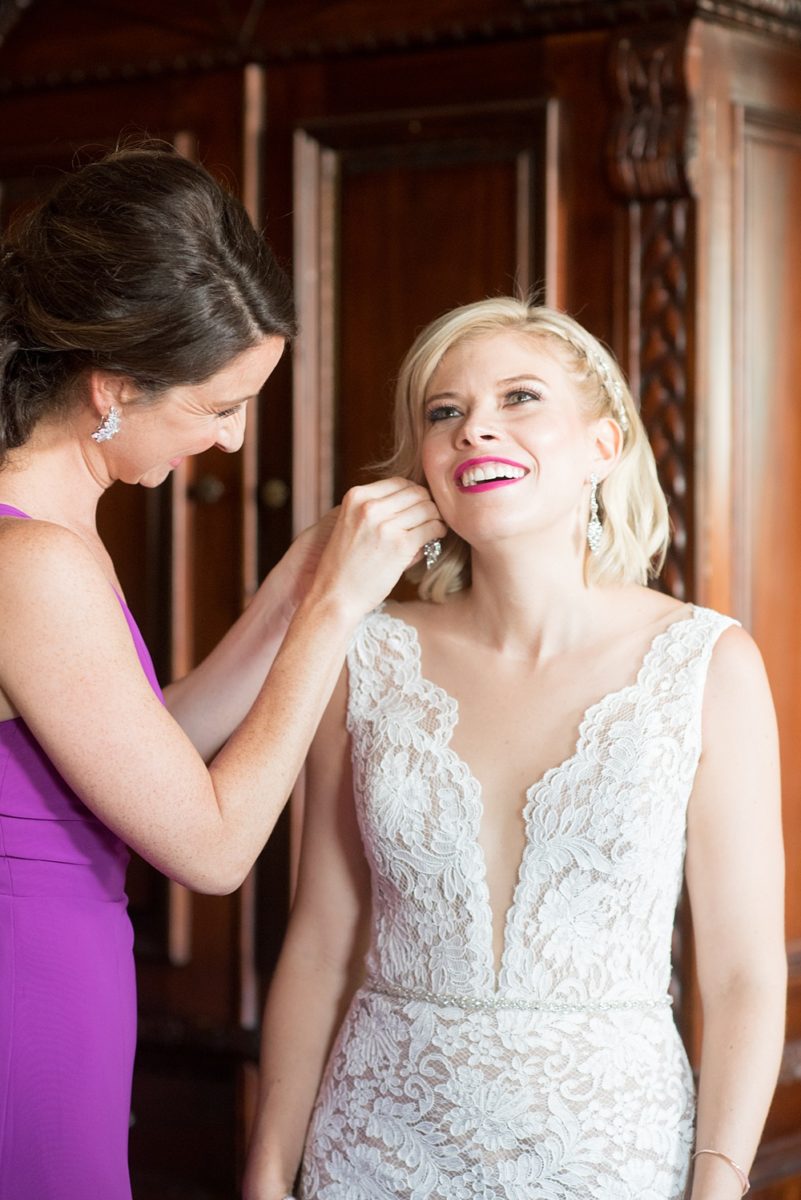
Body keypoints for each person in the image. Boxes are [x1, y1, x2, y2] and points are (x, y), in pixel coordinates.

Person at [243, 297, 786, 1200]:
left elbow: (741, 975)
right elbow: (322, 940)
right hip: (374, 1152)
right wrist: (266, 1174)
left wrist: (717, 1186)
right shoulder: (365, 653)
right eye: (443, 412)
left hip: (612, 1156)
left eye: (520, 398)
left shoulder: (704, 664)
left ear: (602, 448)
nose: (473, 429)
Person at [0, 145, 445, 1200]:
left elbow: (137, 742)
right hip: (27, 988)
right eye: (216, 406)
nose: (237, 441)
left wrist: (290, 591)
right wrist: (330, 616)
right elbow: (210, 845)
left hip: (61, 972)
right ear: (112, 389)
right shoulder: (32, 560)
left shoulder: (55, 522)